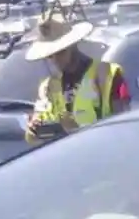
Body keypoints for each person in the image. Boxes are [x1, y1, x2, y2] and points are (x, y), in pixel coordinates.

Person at [24, 9, 124, 143]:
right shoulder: (48, 87)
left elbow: (123, 127)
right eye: (49, 55)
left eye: (60, 52)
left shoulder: (108, 75)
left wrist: (76, 131)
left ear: (72, 45)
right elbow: (36, 138)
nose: (55, 60)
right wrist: (34, 130)